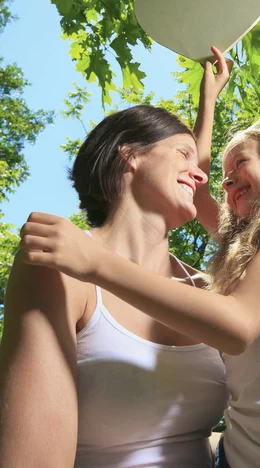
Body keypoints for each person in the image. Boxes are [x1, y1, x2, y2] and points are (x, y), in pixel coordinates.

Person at [18, 47, 260, 468]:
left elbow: (237, 324)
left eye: (239, 168)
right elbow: (195, 185)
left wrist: (95, 262)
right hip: (240, 456)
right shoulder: (249, 248)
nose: (223, 185)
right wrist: (207, 101)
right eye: (224, 179)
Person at [0, 75, 232, 467]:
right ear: (130, 154)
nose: (201, 174)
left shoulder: (211, 290)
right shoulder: (59, 265)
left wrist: (207, 101)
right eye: (182, 154)